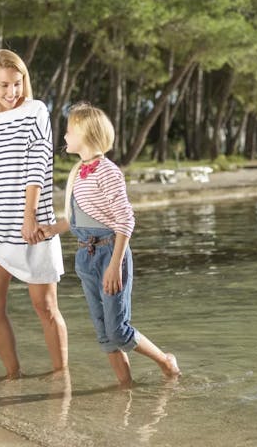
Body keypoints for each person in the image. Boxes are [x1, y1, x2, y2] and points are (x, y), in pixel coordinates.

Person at [39, 102, 180, 387]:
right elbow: (80, 217)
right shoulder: (78, 173)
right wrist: (53, 228)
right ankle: (125, 388)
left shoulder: (108, 171)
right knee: (104, 334)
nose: (64, 137)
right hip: (85, 256)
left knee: (118, 331)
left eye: (69, 131)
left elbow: (125, 221)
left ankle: (166, 361)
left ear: (86, 134)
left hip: (109, 255)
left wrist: (115, 264)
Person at [0, 49, 68, 380]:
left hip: (30, 225)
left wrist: (29, 217)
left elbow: (38, 166)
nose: (12, 92)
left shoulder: (35, 111)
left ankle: (60, 377)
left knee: (46, 308)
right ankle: (14, 376)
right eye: (5, 85)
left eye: (18, 83)